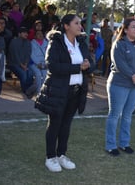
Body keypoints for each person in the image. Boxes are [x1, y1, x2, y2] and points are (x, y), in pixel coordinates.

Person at [34, 14, 95, 172]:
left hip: (76, 91)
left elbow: (89, 63)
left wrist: (89, 65)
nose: (80, 26)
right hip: (58, 91)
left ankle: (61, 155)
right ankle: (50, 157)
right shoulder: (56, 42)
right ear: (66, 26)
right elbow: (52, 66)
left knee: (66, 124)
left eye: (80, 23)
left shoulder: (81, 42)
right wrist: (77, 68)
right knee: (55, 124)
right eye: (76, 23)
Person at [105, 19, 135, 156]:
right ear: (125, 30)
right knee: (114, 115)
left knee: (127, 116)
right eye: (133, 27)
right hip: (119, 84)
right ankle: (111, 145)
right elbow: (120, 64)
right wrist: (133, 75)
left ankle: (124, 143)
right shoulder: (119, 44)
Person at [7, 26, 35, 98]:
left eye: (27, 33)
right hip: (14, 63)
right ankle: (25, 90)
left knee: (31, 73)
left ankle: (29, 89)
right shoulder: (14, 41)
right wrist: (21, 65)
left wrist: (25, 64)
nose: (26, 34)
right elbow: (15, 55)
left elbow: (28, 54)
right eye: (24, 33)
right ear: (19, 34)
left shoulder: (28, 42)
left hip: (25, 63)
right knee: (23, 74)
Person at [29, 30, 48, 96]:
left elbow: (48, 54)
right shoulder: (32, 43)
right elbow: (32, 55)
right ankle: (38, 91)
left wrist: (46, 63)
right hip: (34, 63)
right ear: (35, 36)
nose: (40, 35)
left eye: (41, 34)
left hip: (44, 63)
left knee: (45, 75)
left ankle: (42, 90)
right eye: (38, 34)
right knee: (38, 74)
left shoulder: (47, 43)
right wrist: (38, 63)